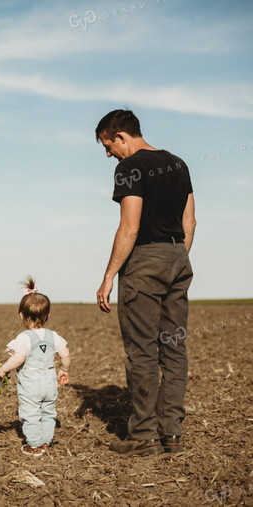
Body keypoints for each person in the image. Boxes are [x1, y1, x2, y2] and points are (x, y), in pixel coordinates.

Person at [94, 109, 196, 457]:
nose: (109, 155)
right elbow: (191, 221)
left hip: (145, 262)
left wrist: (108, 276)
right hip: (178, 257)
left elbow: (130, 226)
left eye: (108, 146)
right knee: (174, 348)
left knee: (142, 352)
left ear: (121, 136)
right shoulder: (179, 164)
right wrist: (176, 258)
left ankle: (143, 435)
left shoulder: (130, 167)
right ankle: (172, 434)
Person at [0, 277, 71, 457]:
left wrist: (3, 369)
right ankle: (46, 441)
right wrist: (64, 370)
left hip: (31, 383)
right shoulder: (53, 336)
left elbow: (18, 359)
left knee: (30, 413)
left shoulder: (24, 338)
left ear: (21, 314)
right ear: (47, 316)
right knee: (48, 411)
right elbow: (65, 354)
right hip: (50, 380)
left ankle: (34, 445)